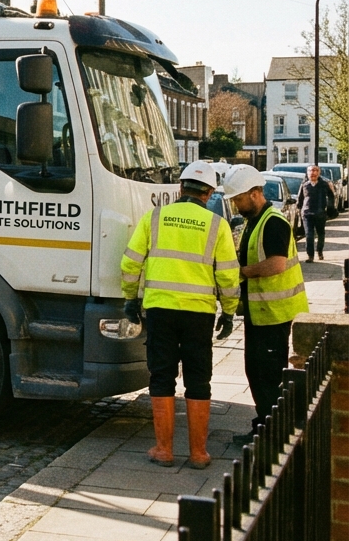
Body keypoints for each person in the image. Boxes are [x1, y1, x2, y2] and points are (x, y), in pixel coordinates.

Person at [119, 161, 239, 469]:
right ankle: (198, 453)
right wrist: (229, 312)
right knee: (199, 379)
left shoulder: (155, 218)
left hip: (161, 310)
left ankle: (164, 449)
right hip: (199, 314)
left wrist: (130, 299)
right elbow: (228, 274)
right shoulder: (217, 225)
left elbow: (131, 263)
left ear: (181, 188)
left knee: (162, 376)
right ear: (210, 193)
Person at [224, 165, 310, 445]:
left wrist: (242, 272)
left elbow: (276, 264)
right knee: (257, 372)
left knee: (268, 374)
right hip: (261, 312)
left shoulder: (273, 222)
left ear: (255, 193)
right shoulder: (254, 221)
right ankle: (264, 426)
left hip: (275, 314)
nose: (236, 205)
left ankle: (271, 432)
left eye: (238, 199)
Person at [297, 164, 334, 261]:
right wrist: (300, 209)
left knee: (321, 234)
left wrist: (330, 207)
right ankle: (310, 256)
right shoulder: (305, 185)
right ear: (307, 173)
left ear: (319, 173)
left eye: (315, 171)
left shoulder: (324, 184)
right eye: (310, 171)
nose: (312, 173)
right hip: (307, 213)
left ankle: (320, 251)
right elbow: (300, 199)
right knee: (309, 235)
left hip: (320, 213)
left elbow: (331, 196)